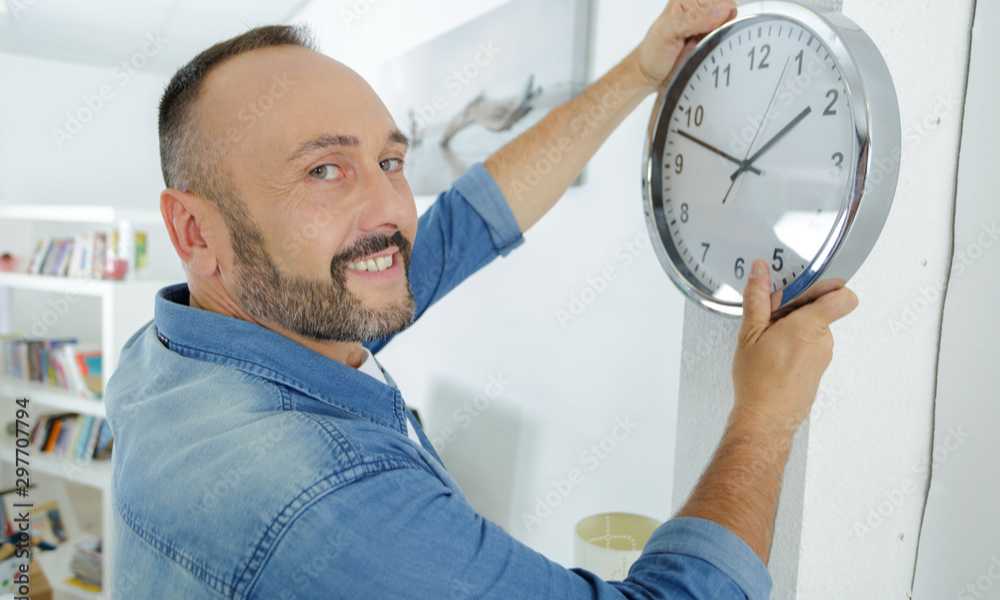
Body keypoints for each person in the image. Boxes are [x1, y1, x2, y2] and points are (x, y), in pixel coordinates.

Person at [105, 1, 859, 598]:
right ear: (195, 229)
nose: (392, 210)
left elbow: (468, 222)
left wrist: (638, 70)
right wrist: (765, 417)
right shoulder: (317, 498)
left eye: (390, 160)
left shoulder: (178, 349)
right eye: (325, 171)